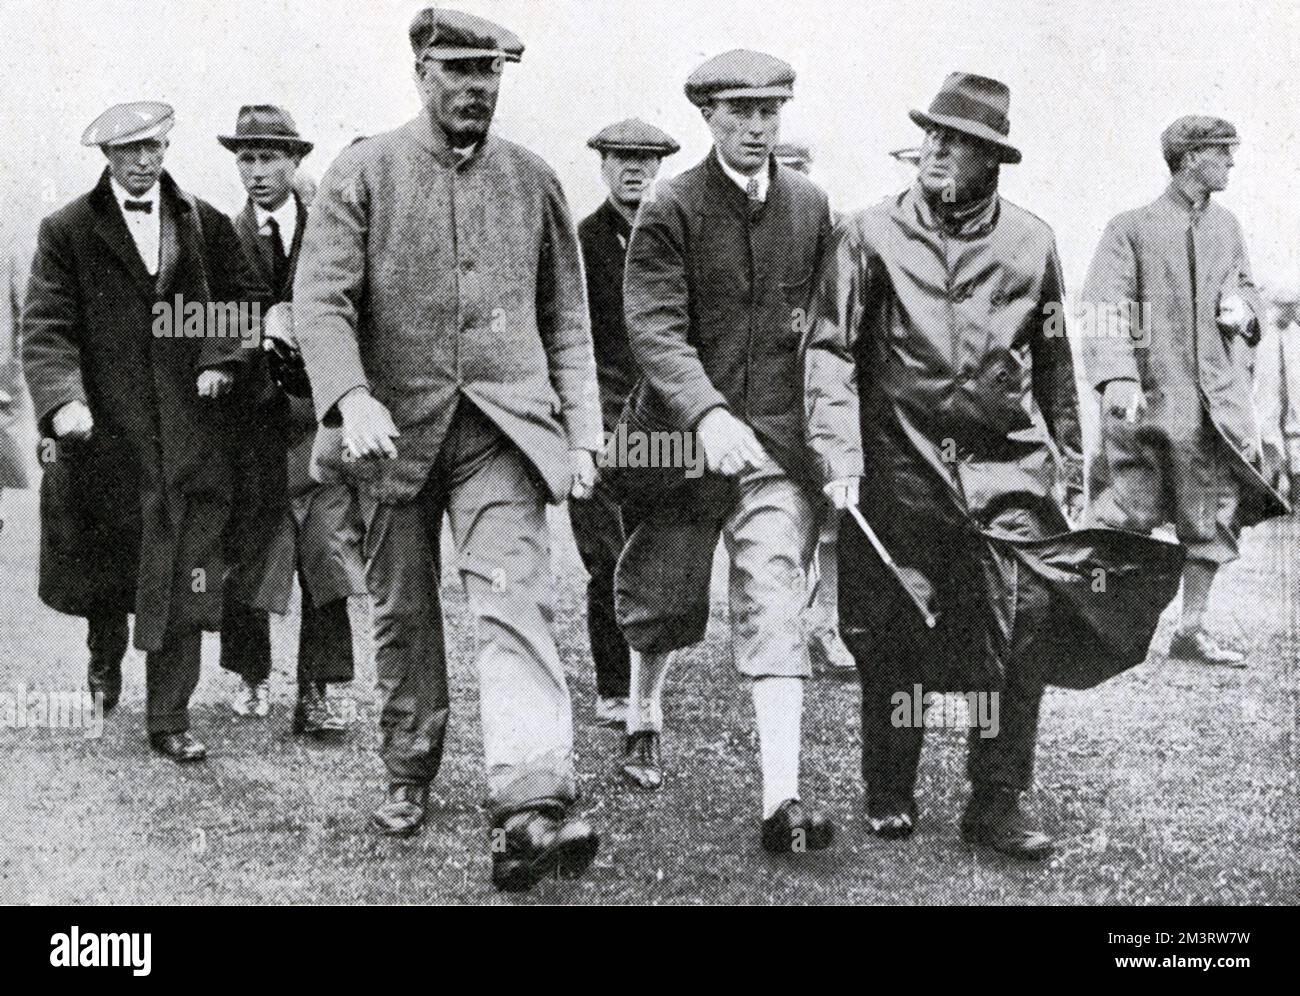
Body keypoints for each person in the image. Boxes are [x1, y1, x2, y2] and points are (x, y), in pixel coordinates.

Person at [293, 7, 603, 892]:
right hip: (388, 432)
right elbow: (320, 303)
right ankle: (407, 768)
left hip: (501, 432)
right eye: (459, 71)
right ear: (422, 71)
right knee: (403, 611)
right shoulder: (364, 173)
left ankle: (530, 803)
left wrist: (582, 431)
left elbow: (567, 320)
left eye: (491, 72)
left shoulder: (535, 181)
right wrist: (349, 395)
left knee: (514, 599)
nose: (478, 87)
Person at [805, 73, 1084, 858]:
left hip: (1007, 479)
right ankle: (890, 786)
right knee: (893, 641)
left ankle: (997, 801)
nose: (935, 147)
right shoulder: (867, 233)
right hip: (898, 475)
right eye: (932, 133)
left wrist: (1069, 464)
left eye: (956, 140)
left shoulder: (1033, 241)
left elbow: (1056, 361)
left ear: (992, 158)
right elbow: (829, 351)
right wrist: (839, 455)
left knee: (1015, 637)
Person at [615, 49, 836, 853]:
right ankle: (643, 711)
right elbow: (654, 327)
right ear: (707, 117)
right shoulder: (670, 206)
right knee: (664, 600)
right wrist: (705, 412)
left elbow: (829, 332)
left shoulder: (810, 207)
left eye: (769, 112)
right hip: (677, 445)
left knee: (775, 598)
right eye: (739, 112)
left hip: (775, 448)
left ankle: (783, 802)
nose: (756, 126)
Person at [23, 102, 262, 761]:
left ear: (165, 148)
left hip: (188, 436)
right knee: (115, 570)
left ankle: (169, 718)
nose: (143, 161)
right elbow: (47, 329)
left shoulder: (203, 221)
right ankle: (104, 655)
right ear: (106, 156)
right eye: (128, 151)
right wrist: (63, 402)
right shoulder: (66, 230)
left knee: (186, 568)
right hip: (106, 438)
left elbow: (244, 307)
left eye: (153, 147)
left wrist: (219, 359)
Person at [1082, 116, 1287, 668]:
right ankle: (1092, 623)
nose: (1232, 162)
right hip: (1151, 397)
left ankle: (1190, 629)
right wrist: (1118, 377)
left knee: (1214, 516)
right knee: (1125, 512)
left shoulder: (1227, 227)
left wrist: (1245, 310)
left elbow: (1246, 288)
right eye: (1223, 152)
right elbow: (1104, 306)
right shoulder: (1131, 227)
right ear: (1191, 156)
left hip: (1215, 405)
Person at [219, 104, 365, 735]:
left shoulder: (327, 230)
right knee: (250, 549)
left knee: (325, 551)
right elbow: (200, 322)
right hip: (249, 425)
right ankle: (251, 677)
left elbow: (354, 304)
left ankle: (322, 690)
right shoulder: (219, 238)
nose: (257, 171)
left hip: (319, 418)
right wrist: (260, 329)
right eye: (247, 159)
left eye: (270, 158)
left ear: (296, 161)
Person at [575, 117, 679, 729]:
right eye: (621, 157)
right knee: (606, 555)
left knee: (655, 552)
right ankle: (614, 688)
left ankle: (645, 689)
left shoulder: (674, 234)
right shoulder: (581, 240)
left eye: (645, 158)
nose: (634, 168)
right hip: (598, 418)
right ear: (604, 164)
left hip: (662, 421)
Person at [772, 139, 856, 678]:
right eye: (789, 170)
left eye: (805, 170)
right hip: (773, 403)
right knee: (782, 524)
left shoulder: (837, 228)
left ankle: (827, 625)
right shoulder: (752, 234)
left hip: (824, 400)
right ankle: (783, 629)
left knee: (834, 525)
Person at [1252, 285, 1300, 499]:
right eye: (1285, 306)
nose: (1290, 311)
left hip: (1294, 418)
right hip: (1266, 414)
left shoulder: (1296, 335)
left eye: (1293, 306)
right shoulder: (1261, 334)